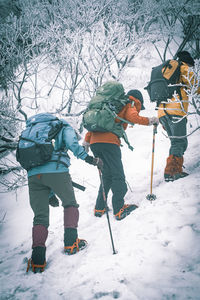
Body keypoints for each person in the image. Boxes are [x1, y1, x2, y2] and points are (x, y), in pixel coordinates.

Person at [27, 118, 103, 272]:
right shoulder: (64, 127)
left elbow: (42, 169)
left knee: (40, 217)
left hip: (33, 176)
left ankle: (37, 260)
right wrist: (90, 159)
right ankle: (71, 242)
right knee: (70, 204)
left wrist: (50, 195)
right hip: (57, 171)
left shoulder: (32, 132)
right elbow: (73, 146)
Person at [83, 89, 159, 221]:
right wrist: (151, 120)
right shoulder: (130, 103)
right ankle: (119, 209)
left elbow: (95, 126)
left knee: (106, 175)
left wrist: (86, 142)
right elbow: (133, 117)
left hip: (95, 143)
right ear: (138, 100)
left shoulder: (107, 106)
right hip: (109, 143)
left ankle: (99, 207)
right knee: (117, 175)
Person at [158, 51, 200, 182]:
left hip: (162, 112)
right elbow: (196, 86)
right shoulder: (183, 67)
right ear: (187, 62)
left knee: (176, 142)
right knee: (179, 142)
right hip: (176, 111)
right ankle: (172, 172)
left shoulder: (165, 70)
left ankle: (174, 169)